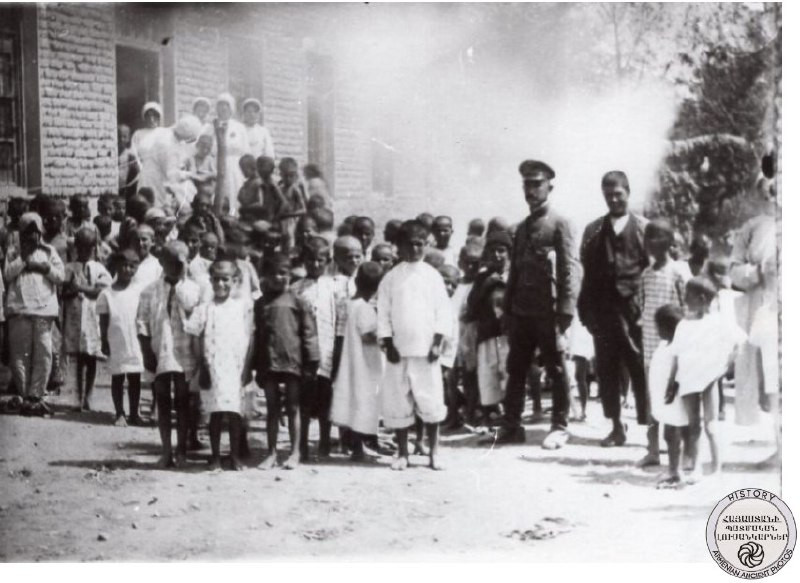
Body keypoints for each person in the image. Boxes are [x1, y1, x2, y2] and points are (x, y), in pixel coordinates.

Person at [499, 160, 579, 449]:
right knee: (516, 367)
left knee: (556, 368)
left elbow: (569, 268)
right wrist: (508, 309)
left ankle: (559, 426)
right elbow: (515, 272)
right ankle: (511, 425)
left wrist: (566, 309)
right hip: (522, 311)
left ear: (549, 187)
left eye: (537, 184)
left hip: (549, 311)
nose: (531, 190)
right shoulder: (521, 228)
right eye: (527, 184)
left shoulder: (559, 224)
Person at [578, 170, 649, 447]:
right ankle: (617, 427)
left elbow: (653, 271)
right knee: (607, 371)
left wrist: (647, 312)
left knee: (641, 369)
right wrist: (586, 312)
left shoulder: (643, 228)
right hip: (604, 312)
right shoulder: (593, 231)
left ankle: (652, 432)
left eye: (618, 194)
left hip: (636, 313)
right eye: (608, 195)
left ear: (628, 193)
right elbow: (586, 275)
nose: (614, 200)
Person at [377, 220, 451, 471]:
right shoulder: (390, 278)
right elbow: (383, 313)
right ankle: (402, 453)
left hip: (426, 351)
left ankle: (434, 452)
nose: (415, 249)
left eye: (419, 244)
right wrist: (388, 344)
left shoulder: (432, 276)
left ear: (426, 244)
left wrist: (437, 342)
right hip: (398, 352)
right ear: (399, 246)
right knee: (399, 401)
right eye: (409, 244)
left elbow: (443, 312)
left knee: (430, 400)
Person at [664, 277, 746, 483]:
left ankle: (717, 468)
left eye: (688, 296)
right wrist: (671, 382)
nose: (684, 299)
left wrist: (725, 367)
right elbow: (676, 355)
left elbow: (739, 341)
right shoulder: (683, 325)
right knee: (693, 425)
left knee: (711, 425)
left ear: (701, 299)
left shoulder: (719, 322)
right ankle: (697, 467)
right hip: (687, 380)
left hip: (709, 380)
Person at [137, 241, 202, 468]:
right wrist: (147, 353)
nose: (175, 268)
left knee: (183, 402)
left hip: (185, 352)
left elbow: (191, 308)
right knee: (163, 400)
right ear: (162, 262)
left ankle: (181, 449)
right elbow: (142, 323)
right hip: (161, 350)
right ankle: (166, 451)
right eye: (170, 263)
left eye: (179, 263)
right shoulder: (150, 291)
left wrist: (183, 277)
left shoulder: (193, 289)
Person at [252, 253, 319, 470]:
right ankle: (271, 453)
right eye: (273, 274)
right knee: (272, 408)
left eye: (283, 273)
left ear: (290, 274)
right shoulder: (261, 303)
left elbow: (309, 333)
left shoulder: (299, 301)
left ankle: (295, 452)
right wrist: (255, 365)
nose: (278, 278)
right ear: (265, 276)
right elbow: (257, 335)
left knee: (293, 407)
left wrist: (312, 362)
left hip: (292, 362)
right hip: (269, 362)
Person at [187, 259, 253, 472]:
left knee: (235, 413)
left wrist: (246, 369)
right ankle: (215, 457)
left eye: (225, 279)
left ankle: (234, 456)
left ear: (235, 280)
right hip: (212, 367)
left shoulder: (241, 308)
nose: (220, 284)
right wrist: (202, 366)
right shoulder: (205, 309)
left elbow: (250, 338)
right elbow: (196, 338)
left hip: (235, 368)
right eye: (215, 279)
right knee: (215, 413)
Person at [4, 213, 65, 414]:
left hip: (44, 309)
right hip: (19, 309)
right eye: (27, 232)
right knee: (20, 354)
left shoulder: (49, 251)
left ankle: (36, 395)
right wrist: (24, 258)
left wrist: (43, 267)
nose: (32, 236)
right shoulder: (14, 252)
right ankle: (24, 395)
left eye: (35, 232)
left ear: (40, 233)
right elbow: (7, 274)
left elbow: (60, 276)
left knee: (43, 352)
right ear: (21, 233)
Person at [637, 219, 686, 467]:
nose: (653, 243)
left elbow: (686, 309)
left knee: (677, 395)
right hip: (650, 346)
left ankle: (683, 453)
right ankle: (653, 449)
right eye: (649, 238)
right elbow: (642, 306)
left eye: (659, 237)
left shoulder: (678, 272)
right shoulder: (646, 274)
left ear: (669, 241)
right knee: (652, 397)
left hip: (674, 347)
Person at [331, 262, 385, 460]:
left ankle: (355, 446)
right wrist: (386, 335)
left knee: (353, 401)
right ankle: (358, 449)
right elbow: (369, 336)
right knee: (363, 402)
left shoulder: (349, 304)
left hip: (352, 361)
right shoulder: (364, 308)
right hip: (364, 364)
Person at [290, 237, 338, 459]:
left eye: (320, 260)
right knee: (304, 398)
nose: (316, 264)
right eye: (311, 260)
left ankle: (325, 441)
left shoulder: (334, 287)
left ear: (328, 261)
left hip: (327, 349)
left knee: (325, 396)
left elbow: (339, 320)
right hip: (304, 351)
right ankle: (302, 445)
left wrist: (338, 351)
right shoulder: (295, 288)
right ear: (304, 260)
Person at [62, 227, 112, 411]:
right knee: (78, 358)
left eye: (88, 247)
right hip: (76, 315)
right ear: (76, 247)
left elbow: (101, 290)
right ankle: (78, 395)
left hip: (91, 316)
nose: (84, 251)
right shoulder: (69, 268)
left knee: (91, 357)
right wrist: (71, 290)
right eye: (80, 247)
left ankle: (88, 395)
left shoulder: (99, 269)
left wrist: (80, 288)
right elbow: (64, 292)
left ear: (94, 248)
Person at [467, 230, 512, 421]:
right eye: (492, 251)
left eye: (501, 250)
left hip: (509, 334)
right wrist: (486, 285)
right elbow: (472, 306)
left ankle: (511, 416)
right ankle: (491, 416)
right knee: (488, 375)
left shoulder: (515, 275)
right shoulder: (482, 277)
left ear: (509, 252)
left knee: (509, 374)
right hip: (487, 334)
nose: (497, 255)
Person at [98, 249, 144, 426]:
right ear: (116, 265)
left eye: (132, 266)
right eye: (124, 265)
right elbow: (103, 319)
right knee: (117, 376)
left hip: (135, 341)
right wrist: (104, 340)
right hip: (116, 340)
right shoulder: (107, 294)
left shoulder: (139, 291)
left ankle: (134, 413)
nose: (127, 269)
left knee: (135, 377)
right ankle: (119, 413)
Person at [646, 304, 688, 488]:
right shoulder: (664, 345)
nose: (656, 330)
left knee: (672, 435)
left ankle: (676, 472)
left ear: (668, 328)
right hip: (664, 398)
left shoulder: (678, 348)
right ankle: (674, 470)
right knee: (669, 435)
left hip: (674, 398)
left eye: (658, 327)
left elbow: (678, 372)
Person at [137, 115, 203, 214]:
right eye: (191, 138)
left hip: (149, 175)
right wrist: (191, 175)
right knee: (155, 212)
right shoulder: (168, 145)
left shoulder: (163, 132)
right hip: (155, 182)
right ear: (187, 136)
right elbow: (171, 175)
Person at [213, 93, 249, 216]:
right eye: (220, 105)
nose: (223, 108)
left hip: (235, 166)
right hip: (216, 165)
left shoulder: (239, 128)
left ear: (231, 108)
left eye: (226, 105)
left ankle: (234, 216)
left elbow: (246, 151)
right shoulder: (210, 126)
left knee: (234, 192)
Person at [437, 264, 462, 428]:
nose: (449, 288)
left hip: (447, 353)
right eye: (445, 282)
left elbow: (452, 337)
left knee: (449, 384)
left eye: (453, 285)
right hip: (435, 352)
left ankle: (453, 416)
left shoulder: (450, 307)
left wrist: (447, 359)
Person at [277, 157, 307, 250]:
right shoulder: (280, 187)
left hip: (292, 220)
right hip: (281, 219)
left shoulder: (295, 189)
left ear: (296, 175)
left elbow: (303, 209)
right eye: (285, 176)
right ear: (281, 174)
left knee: (289, 237)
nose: (288, 179)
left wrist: (289, 214)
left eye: (291, 175)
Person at [186, 133, 217, 201]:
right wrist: (201, 177)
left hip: (208, 187)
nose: (205, 151)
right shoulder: (192, 159)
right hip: (196, 187)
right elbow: (193, 174)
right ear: (197, 146)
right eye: (202, 147)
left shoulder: (209, 159)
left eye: (208, 149)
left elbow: (215, 174)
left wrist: (207, 176)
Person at [118, 124, 138, 200]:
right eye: (119, 136)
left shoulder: (130, 155)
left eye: (124, 137)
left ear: (128, 139)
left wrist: (128, 186)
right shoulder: (110, 154)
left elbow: (137, 176)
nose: (121, 139)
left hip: (125, 192)